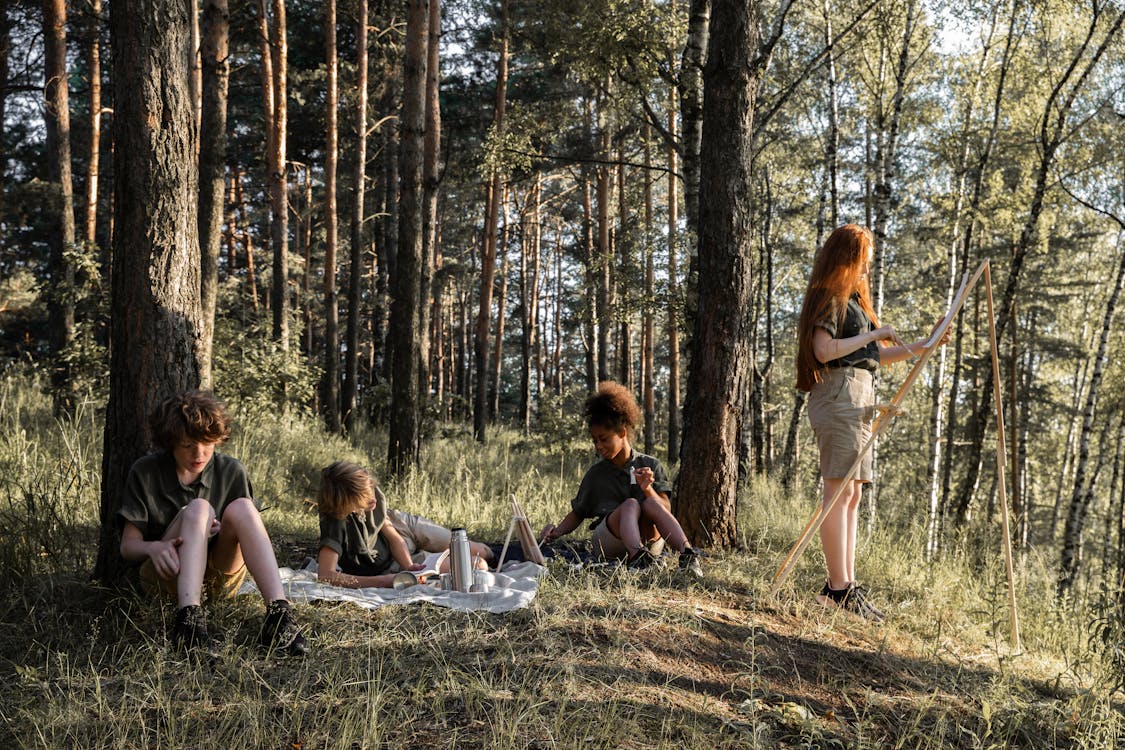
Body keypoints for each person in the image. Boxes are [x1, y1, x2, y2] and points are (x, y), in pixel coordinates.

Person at [796, 224, 949, 621]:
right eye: (863, 257)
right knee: (837, 490)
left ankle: (845, 586)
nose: (867, 264)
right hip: (838, 393)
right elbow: (825, 350)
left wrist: (924, 345)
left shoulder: (857, 303)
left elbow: (875, 356)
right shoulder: (831, 296)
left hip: (859, 393)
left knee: (852, 494)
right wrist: (876, 334)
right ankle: (836, 588)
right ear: (846, 257)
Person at [118, 390, 307, 655]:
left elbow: (245, 528)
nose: (199, 453)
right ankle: (188, 624)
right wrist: (154, 548)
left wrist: (215, 532)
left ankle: (279, 616)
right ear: (170, 443)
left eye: (208, 444)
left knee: (243, 506)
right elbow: (128, 546)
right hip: (167, 577)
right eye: (187, 445)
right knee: (198, 509)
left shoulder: (231, 470)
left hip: (220, 578)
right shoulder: (146, 471)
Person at [539, 381, 703, 576]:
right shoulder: (596, 474)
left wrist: (648, 489)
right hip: (610, 542)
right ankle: (638, 560)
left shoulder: (650, 464)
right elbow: (578, 513)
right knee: (631, 504)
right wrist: (557, 531)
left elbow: (665, 511)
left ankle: (688, 556)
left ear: (622, 433)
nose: (598, 446)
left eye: (604, 439)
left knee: (650, 504)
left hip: (651, 544)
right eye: (595, 440)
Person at [315, 461, 492, 588]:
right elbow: (326, 575)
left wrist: (409, 566)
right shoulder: (335, 524)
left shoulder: (365, 489)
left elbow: (393, 536)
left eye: (371, 490)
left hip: (402, 527)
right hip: (389, 564)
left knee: (480, 550)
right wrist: (387, 580)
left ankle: (505, 552)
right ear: (346, 505)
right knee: (478, 564)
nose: (373, 499)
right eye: (364, 499)